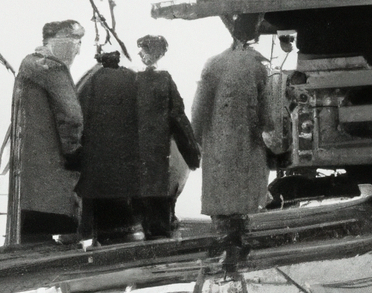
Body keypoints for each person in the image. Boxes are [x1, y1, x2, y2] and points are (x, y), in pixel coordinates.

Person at [191, 16, 271, 269]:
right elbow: (266, 111)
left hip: (217, 139)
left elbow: (198, 108)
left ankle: (224, 243)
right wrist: (267, 131)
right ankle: (237, 245)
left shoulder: (213, 63)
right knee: (243, 192)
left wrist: (195, 138)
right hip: (246, 139)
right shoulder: (258, 65)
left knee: (220, 190)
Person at [7, 19, 84, 244]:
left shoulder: (28, 66)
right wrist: (74, 152)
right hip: (52, 179)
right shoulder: (54, 69)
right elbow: (72, 115)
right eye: (75, 41)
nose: (78, 49)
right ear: (57, 41)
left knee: (33, 240)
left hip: (28, 182)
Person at [135, 35, 200, 240]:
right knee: (161, 186)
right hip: (159, 144)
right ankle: (161, 227)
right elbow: (177, 114)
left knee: (146, 188)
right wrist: (190, 146)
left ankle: (151, 227)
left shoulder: (135, 79)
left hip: (140, 143)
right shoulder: (164, 79)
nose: (139, 53)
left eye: (143, 49)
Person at [76, 50, 139, 244]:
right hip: (125, 161)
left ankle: (95, 239)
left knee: (96, 212)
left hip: (96, 161)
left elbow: (78, 115)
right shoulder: (132, 78)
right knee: (121, 220)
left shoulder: (88, 79)